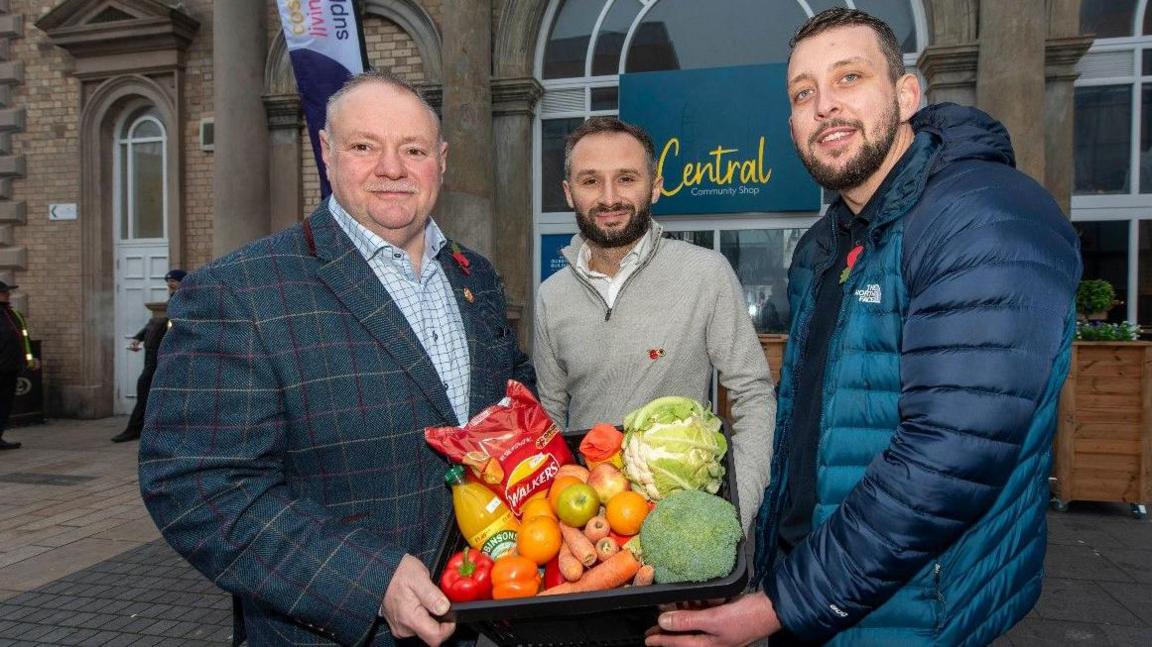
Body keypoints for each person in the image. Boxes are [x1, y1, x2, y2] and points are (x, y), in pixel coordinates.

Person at [647, 8, 1080, 647]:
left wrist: (776, 606)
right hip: (815, 593)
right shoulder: (823, 246)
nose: (824, 106)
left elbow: (947, 462)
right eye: (803, 93)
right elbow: (807, 431)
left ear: (907, 96)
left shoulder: (984, 217)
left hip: (913, 612)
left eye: (849, 78)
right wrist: (768, 573)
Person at [139, 71, 534, 647]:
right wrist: (368, 581)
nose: (392, 169)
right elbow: (196, 486)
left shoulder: (476, 276)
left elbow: (511, 401)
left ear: (441, 161)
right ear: (326, 152)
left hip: (474, 617)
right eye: (365, 146)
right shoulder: (239, 291)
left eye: (414, 150)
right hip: (331, 632)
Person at [533, 117, 775, 530]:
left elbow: (753, 395)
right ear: (569, 193)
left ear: (656, 186)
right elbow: (550, 417)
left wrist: (737, 510)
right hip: (589, 524)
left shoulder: (705, 274)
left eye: (626, 178)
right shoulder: (550, 296)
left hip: (681, 517)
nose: (609, 198)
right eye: (590, 181)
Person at [111, 269, 186, 443]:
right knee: (145, 388)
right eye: (168, 281)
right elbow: (153, 323)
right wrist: (138, 337)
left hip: (165, 355)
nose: (170, 284)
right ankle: (137, 429)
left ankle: (139, 429)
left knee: (150, 389)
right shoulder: (169, 302)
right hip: (152, 354)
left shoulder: (182, 301)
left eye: (174, 281)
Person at [0, 280, 36, 450]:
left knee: (6, 405)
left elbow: (24, 339)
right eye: (5, 292)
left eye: (8, 292)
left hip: (11, 368)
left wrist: (30, 359)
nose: (8, 294)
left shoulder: (14, 314)